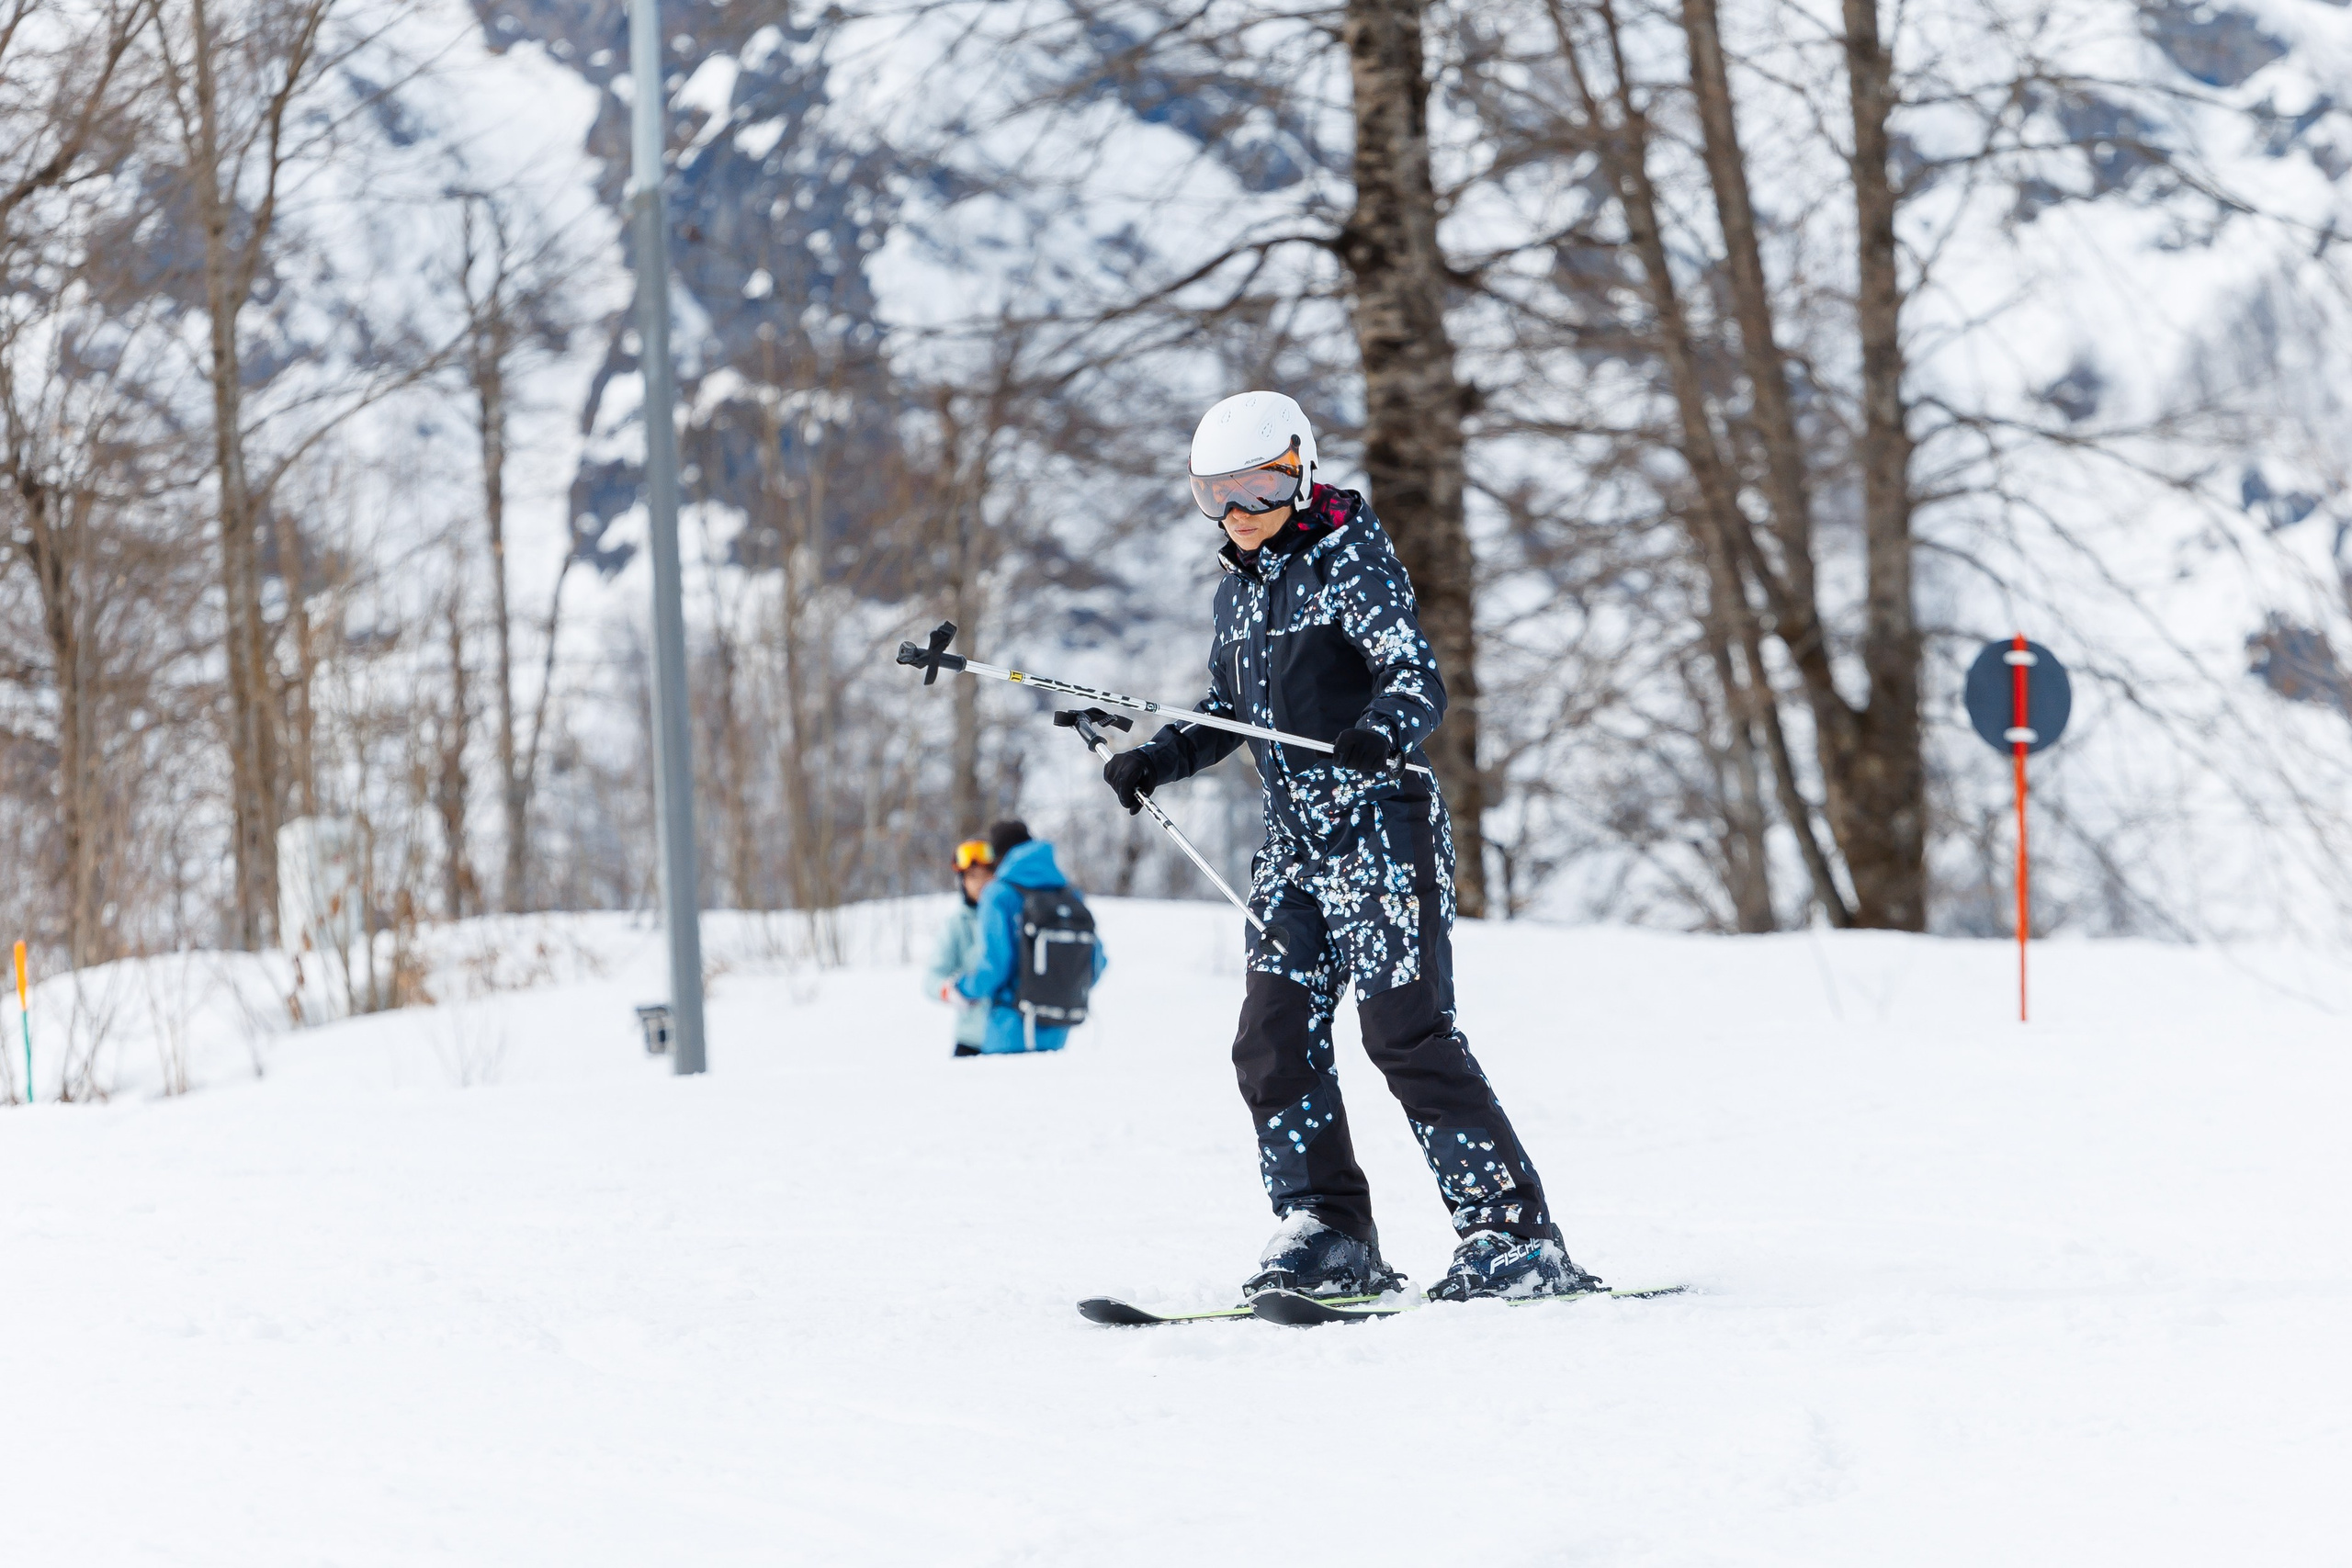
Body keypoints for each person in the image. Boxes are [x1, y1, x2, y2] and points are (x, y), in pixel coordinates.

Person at [1099, 390, 1599, 1303]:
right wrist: (1160, 755)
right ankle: (1326, 1229)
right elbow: (1227, 713)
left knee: (1404, 1032)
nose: (1239, 515)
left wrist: (1380, 730)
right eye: (1217, 495)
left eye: (1259, 487)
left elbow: (1415, 678)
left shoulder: (1351, 562)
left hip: (1379, 823)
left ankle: (1512, 1237)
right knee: (1271, 1037)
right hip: (1294, 845)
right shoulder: (1237, 594)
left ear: (1302, 469)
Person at [955, 819, 1108, 1055]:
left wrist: (961, 988)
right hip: (1057, 1030)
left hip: (1009, 1029)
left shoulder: (999, 894)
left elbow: (994, 967)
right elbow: (1097, 964)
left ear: (998, 855)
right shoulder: (1069, 894)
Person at [925, 838, 997, 1057]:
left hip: (1011, 1037)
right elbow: (932, 978)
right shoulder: (957, 923)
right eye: (973, 877)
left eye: (986, 875)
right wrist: (951, 991)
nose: (981, 883)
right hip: (971, 1040)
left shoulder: (1011, 917)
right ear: (962, 882)